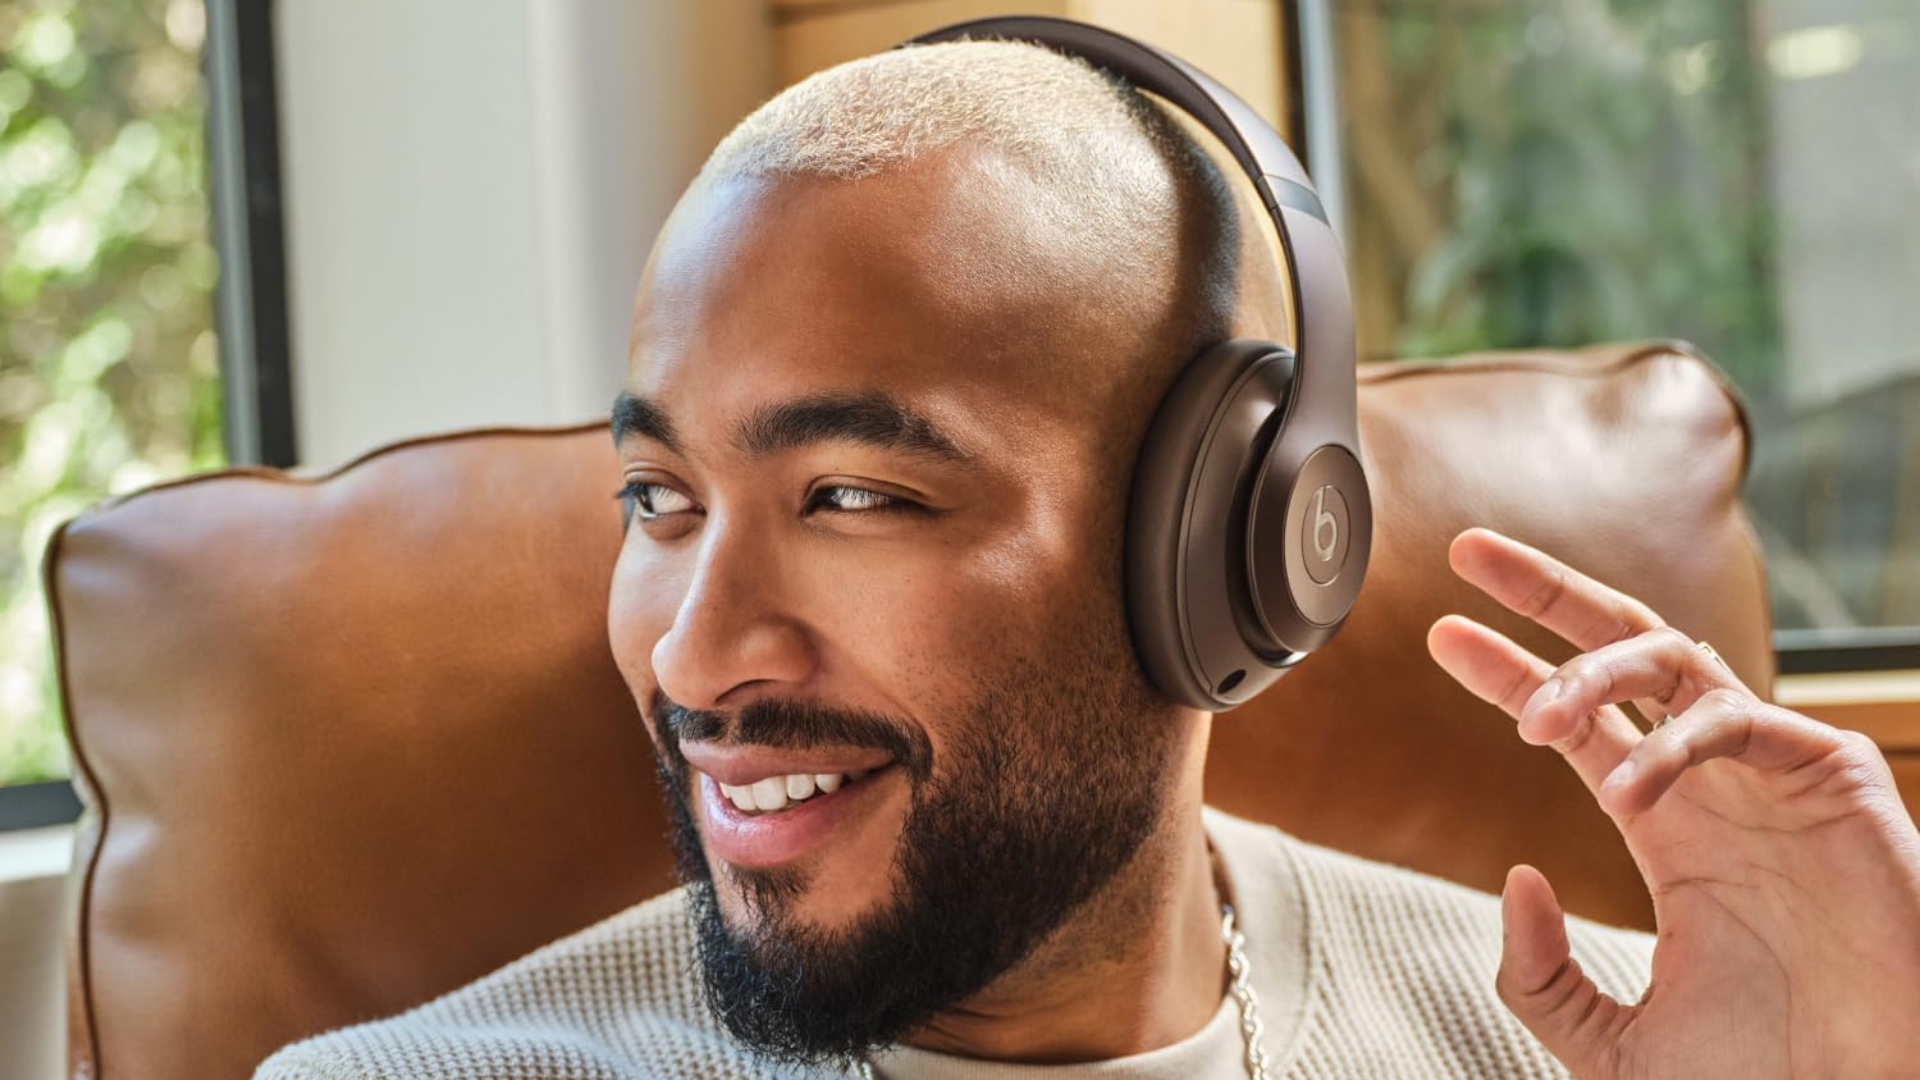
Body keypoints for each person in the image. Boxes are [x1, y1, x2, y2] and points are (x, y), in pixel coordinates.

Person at [256, 34, 1920, 1080]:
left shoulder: (1626, 1048)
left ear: (1230, 553)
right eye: (658, 498)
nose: (695, 659)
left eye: (851, 497)